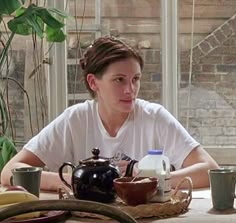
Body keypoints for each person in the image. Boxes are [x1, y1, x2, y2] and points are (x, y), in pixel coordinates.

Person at [1, 36, 219, 191]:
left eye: (135, 79)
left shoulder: (154, 117)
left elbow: (209, 169)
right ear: (93, 82)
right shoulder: (75, 119)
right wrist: (75, 181)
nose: (130, 90)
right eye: (119, 80)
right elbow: (10, 171)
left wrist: (150, 179)